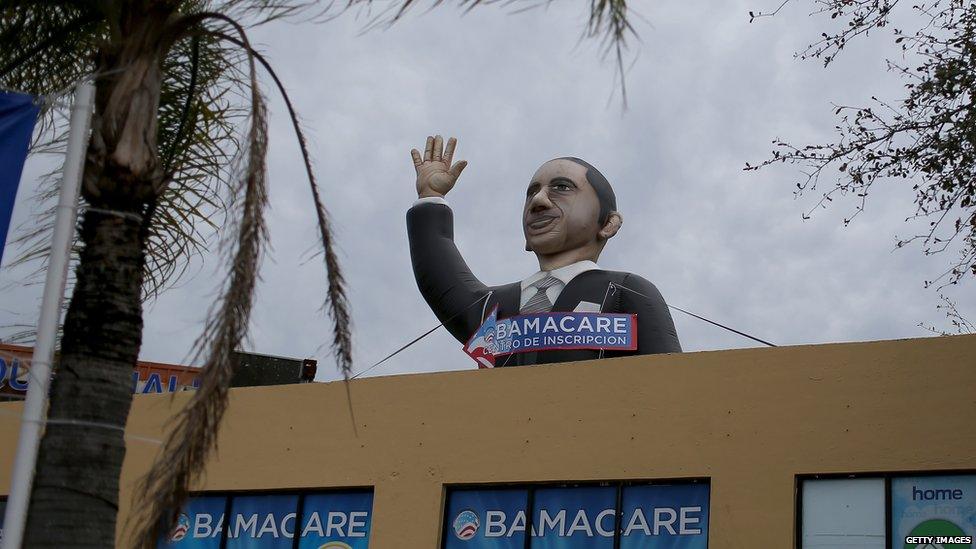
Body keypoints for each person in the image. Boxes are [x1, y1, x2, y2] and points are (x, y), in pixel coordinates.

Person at [407, 135, 681, 366]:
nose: (538, 201)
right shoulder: (496, 305)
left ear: (608, 224)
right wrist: (430, 198)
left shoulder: (625, 291)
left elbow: (666, 384)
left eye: (561, 187)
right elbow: (444, 283)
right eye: (532, 192)